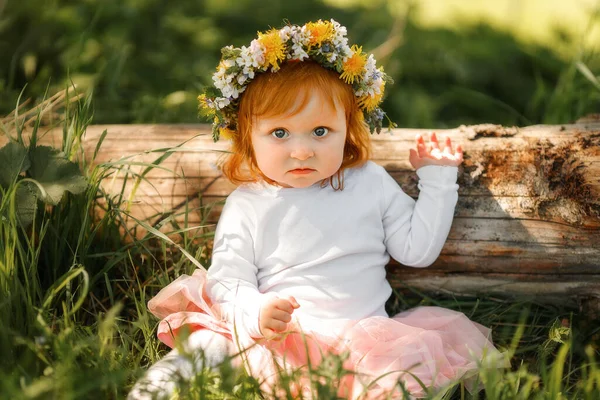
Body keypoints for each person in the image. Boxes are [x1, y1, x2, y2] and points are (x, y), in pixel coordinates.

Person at [129, 19, 506, 400]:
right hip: (277, 336)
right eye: (280, 134)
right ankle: (158, 388)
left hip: (364, 344)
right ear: (247, 138)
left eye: (321, 131)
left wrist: (438, 181)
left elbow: (416, 251)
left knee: (393, 382)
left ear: (348, 128)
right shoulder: (248, 203)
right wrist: (255, 310)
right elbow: (228, 278)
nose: (302, 150)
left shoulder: (369, 181)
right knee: (211, 342)